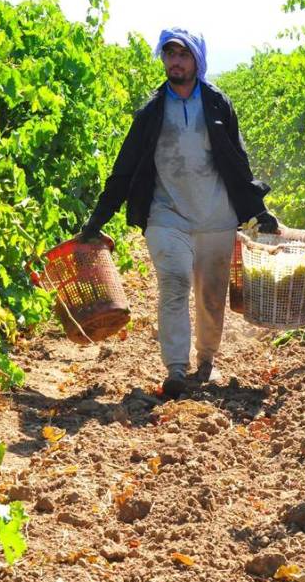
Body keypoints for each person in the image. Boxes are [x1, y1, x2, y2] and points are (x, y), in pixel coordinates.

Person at [79, 27, 279, 400]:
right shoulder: (152, 111)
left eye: (182, 55)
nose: (175, 61)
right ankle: (175, 367)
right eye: (170, 54)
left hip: (215, 215)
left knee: (211, 293)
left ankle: (206, 359)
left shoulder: (218, 104)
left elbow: (238, 162)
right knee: (173, 282)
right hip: (166, 213)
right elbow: (124, 169)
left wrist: (258, 209)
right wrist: (97, 220)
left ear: (196, 61)